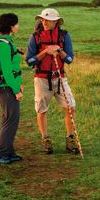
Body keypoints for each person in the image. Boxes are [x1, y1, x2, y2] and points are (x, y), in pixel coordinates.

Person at [25, 8, 78, 154]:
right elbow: (29, 61)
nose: (44, 22)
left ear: (55, 22)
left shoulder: (64, 36)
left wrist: (59, 50)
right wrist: (45, 52)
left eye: (47, 20)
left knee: (70, 107)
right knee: (41, 110)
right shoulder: (35, 37)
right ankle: (45, 140)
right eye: (42, 19)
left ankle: (70, 139)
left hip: (60, 78)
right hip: (41, 79)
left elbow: (69, 59)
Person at [0, 13, 24, 164]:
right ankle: (0, 153)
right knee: (11, 119)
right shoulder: (3, 45)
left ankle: (8, 151)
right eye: (16, 24)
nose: (18, 26)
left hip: (7, 86)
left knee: (9, 118)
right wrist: (16, 90)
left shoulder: (6, 42)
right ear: (11, 26)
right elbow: (7, 71)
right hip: (6, 88)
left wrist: (19, 83)